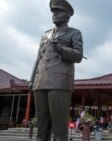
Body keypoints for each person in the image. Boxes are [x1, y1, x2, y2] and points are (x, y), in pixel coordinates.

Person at [29, 0, 83, 140]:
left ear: (67, 16)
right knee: (42, 128)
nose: (54, 14)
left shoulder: (74, 33)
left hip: (59, 82)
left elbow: (78, 56)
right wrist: (32, 79)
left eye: (59, 11)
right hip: (40, 82)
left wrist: (62, 50)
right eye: (53, 12)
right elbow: (38, 58)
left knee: (59, 129)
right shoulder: (45, 35)